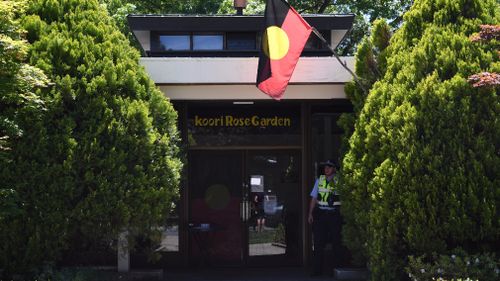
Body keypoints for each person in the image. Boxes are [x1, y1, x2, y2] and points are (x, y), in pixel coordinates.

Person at [308, 159, 342, 276]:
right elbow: (313, 198)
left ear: (334, 169)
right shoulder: (320, 180)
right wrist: (310, 213)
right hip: (321, 214)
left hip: (334, 214)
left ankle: (337, 270)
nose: (326, 169)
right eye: (325, 167)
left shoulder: (340, 181)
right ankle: (317, 271)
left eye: (329, 167)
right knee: (318, 243)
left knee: (336, 242)